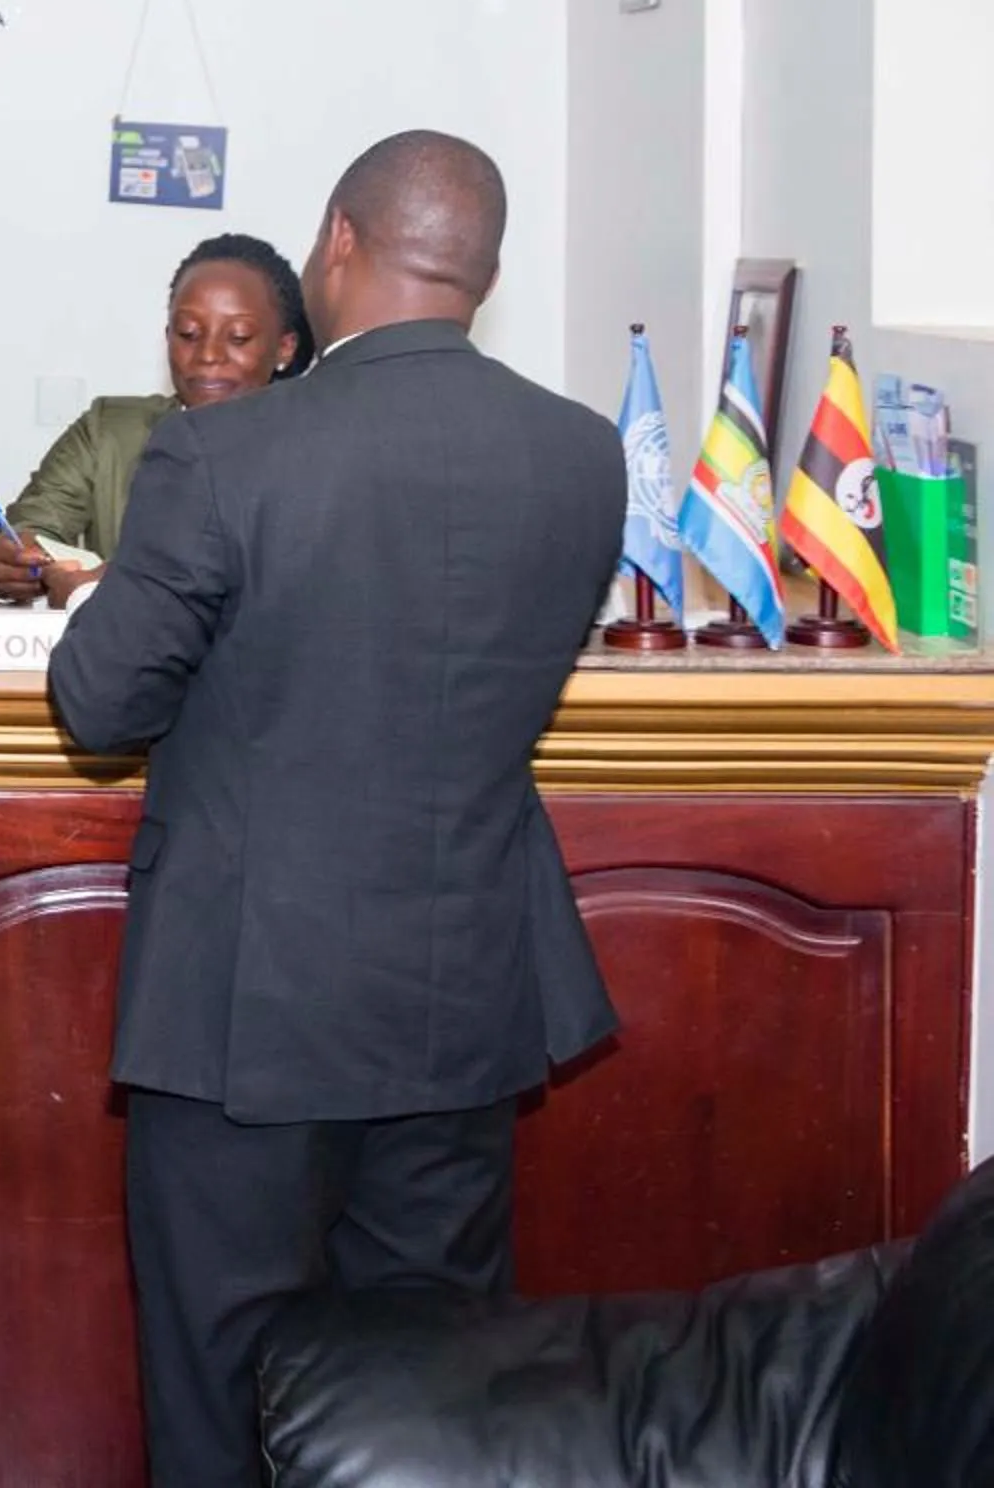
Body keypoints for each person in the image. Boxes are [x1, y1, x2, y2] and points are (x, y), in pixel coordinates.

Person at [47, 132, 624, 1488]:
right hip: (468, 994)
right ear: (482, 272)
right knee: (434, 1386)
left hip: (248, 1005)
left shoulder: (225, 459)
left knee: (222, 1380)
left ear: (335, 246)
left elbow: (100, 702)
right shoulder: (584, 455)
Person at [0, 233, 310, 607]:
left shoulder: (322, 450)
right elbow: (28, 530)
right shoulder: (108, 433)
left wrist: (94, 593)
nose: (208, 355)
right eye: (188, 334)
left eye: (238, 337)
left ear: (284, 348)